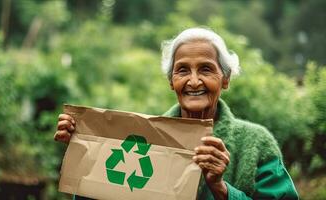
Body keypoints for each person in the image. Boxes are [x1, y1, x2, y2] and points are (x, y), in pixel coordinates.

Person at [54, 27, 299, 200]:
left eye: (205, 69)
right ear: (171, 81)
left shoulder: (256, 144)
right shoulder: (142, 140)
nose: (194, 81)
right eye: (182, 70)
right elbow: (107, 192)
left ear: (225, 79)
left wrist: (222, 189)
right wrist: (86, 150)